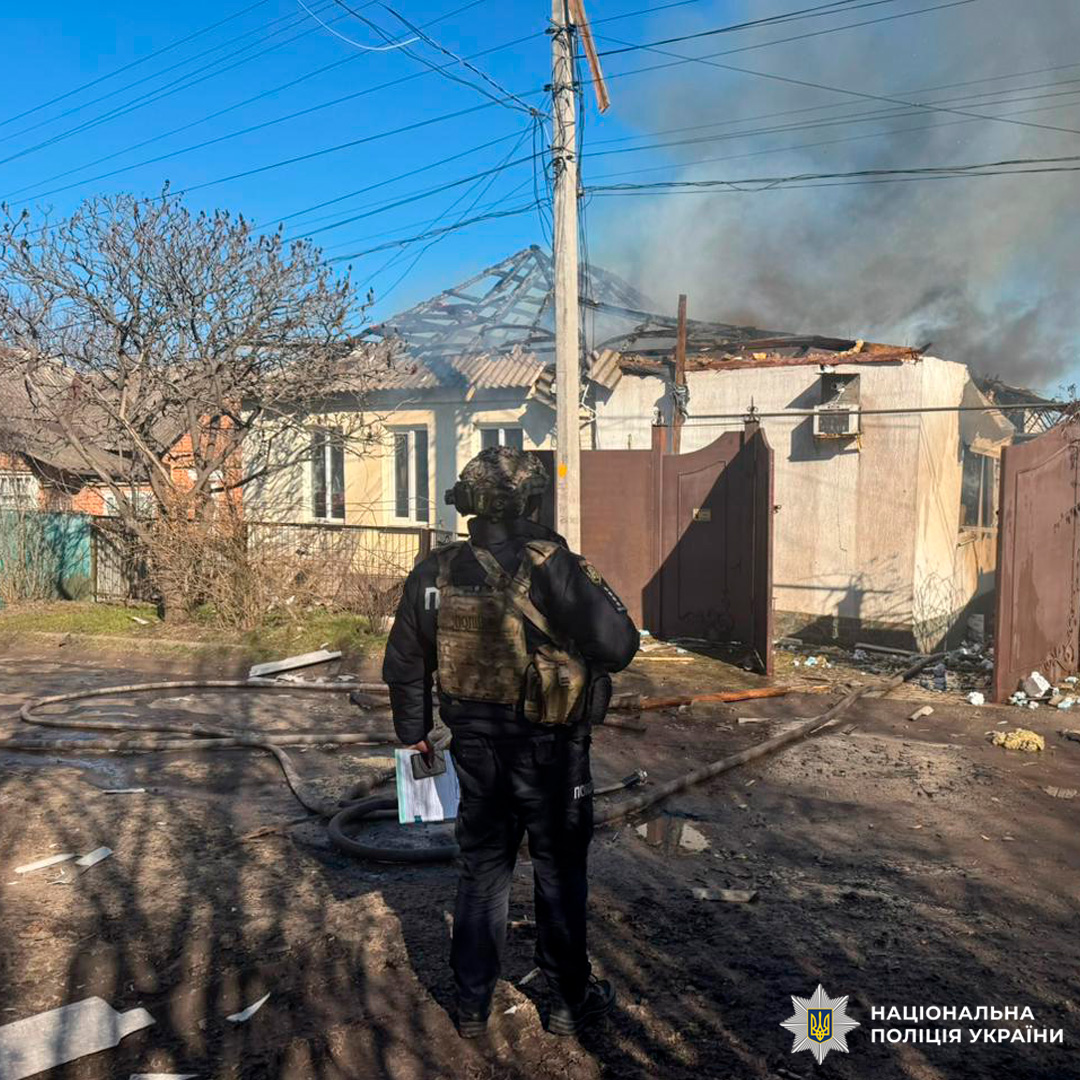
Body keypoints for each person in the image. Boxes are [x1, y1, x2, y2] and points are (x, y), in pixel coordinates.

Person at [382, 446, 639, 1038]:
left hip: (475, 752)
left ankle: (471, 1006)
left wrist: (415, 736)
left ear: (469, 503)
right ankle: (570, 1001)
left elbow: (404, 663)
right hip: (551, 753)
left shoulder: (435, 571)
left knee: (482, 871)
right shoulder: (554, 565)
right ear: (528, 500)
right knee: (558, 871)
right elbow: (620, 646)